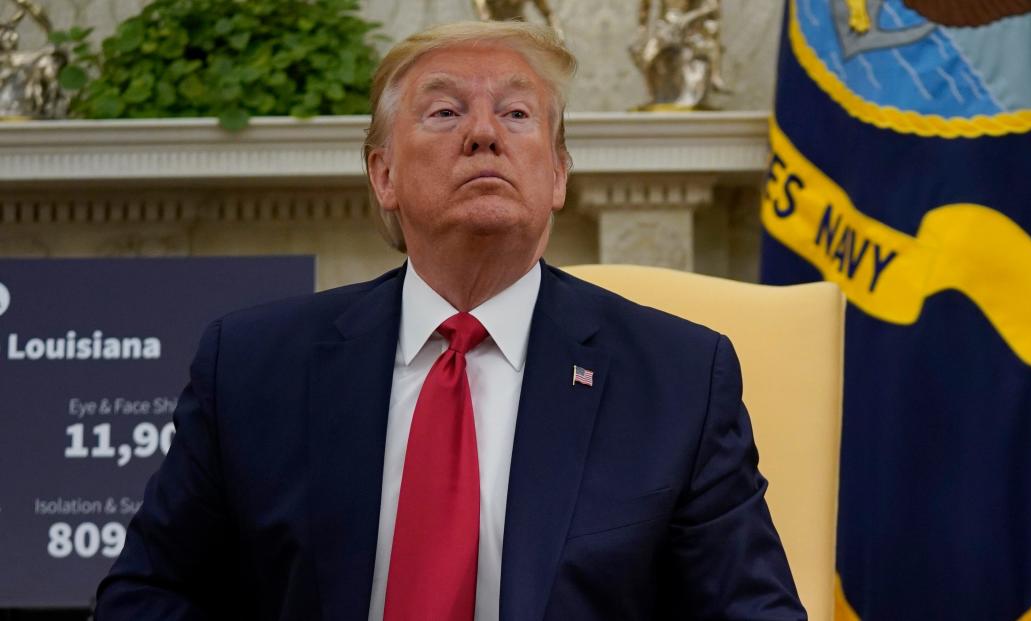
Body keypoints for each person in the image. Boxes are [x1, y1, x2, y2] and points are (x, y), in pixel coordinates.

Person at [95, 21, 804, 621]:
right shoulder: (252, 366)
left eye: (518, 114)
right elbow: (149, 594)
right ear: (384, 176)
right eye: (443, 112)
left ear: (557, 175)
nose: (485, 132)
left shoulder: (677, 378)